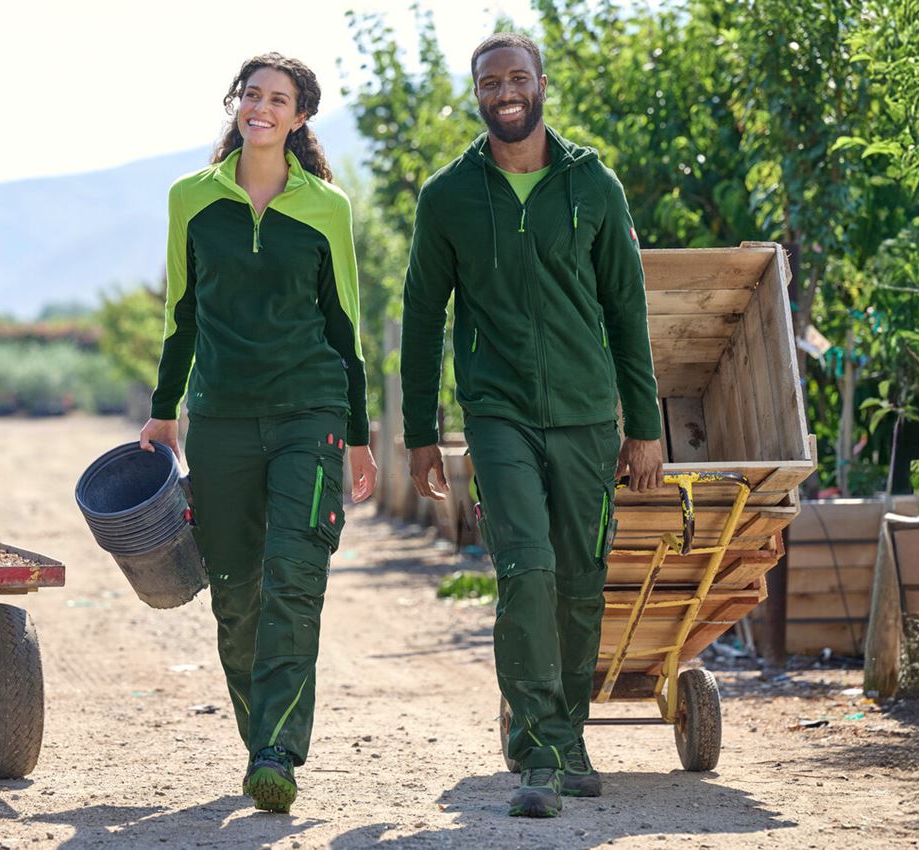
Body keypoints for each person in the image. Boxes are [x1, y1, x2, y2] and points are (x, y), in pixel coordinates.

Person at [400, 33, 664, 818]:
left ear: (541, 84)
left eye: (518, 78)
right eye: (490, 82)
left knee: (582, 578)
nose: (505, 92)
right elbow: (421, 317)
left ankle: (571, 734)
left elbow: (627, 307)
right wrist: (423, 432)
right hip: (498, 411)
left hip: (587, 413)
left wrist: (643, 424)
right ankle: (538, 752)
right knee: (526, 567)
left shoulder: (593, 184)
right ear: (476, 94)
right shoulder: (448, 195)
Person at [139, 52, 376, 815]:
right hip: (221, 419)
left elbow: (346, 326)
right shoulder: (191, 200)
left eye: (279, 99)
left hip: (310, 413)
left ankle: (279, 749)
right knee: (237, 592)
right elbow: (181, 315)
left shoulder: (326, 208)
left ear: (301, 116)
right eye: (252, 95)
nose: (262, 108)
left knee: (296, 576)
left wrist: (362, 435)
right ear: (236, 104)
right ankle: (259, 741)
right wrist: (163, 407)